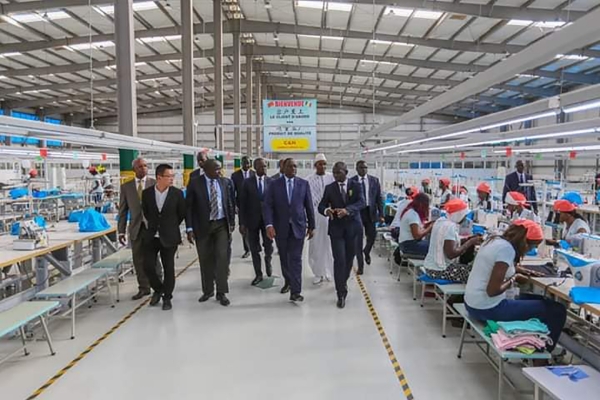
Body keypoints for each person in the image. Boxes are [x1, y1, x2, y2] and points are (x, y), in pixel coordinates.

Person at [465, 220, 567, 357]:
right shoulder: (506, 250)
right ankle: (543, 353)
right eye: (531, 247)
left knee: (541, 300)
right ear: (524, 241)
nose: (531, 250)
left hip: (472, 303)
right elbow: (493, 291)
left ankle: (533, 343)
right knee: (556, 310)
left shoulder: (494, 240)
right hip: (488, 308)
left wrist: (521, 270)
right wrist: (514, 278)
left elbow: (498, 266)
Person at [263, 158, 315, 302]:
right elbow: (268, 206)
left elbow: (308, 206)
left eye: (295, 166)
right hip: (281, 228)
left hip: (298, 227)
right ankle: (288, 281)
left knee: (296, 259)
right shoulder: (274, 185)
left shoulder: (303, 184)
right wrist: (269, 225)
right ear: (283, 168)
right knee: (285, 258)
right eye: (290, 166)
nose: (293, 168)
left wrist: (312, 225)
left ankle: (296, 291)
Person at [186, 159, 236, 307]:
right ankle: (208, 290)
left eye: (220, 169)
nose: (219, 172)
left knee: (222, 257)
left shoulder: (225, 182)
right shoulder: (195, 183)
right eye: (216, 169)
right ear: (206, 170)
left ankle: (222, 292)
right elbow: (189, 207)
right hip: (203, 226)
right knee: (205, 259)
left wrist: (231, 222)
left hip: (221, 224)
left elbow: (230, 203)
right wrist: (189, 228)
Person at [318, 162, 365, 309]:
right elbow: (321, 205)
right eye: (334, 172)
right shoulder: (330, 188)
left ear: (346, 172)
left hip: (353, 229)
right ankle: (341, 294)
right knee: (339, 260)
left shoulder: (356, 185)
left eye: (338, 172)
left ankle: (342, 281)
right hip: (336, 230)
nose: (335, 175)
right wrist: (327, 211)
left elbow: (362, 202)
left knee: (349, 259)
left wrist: (347, 210)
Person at [141, 164, 186, 311]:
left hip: (170, 235)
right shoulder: (147, 193)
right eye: (169, 176)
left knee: (169, 268)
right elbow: (146, 212)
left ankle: (167, 297)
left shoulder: (177, 194)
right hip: (152, 235)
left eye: (173, 176)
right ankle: (158, 289)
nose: (172, 179)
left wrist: (169, 226)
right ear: (159, 177)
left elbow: (181, 214)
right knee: (147, 266)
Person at [118, 157, 160, 300]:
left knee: (154, 259)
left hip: (152, 228)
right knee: (138, 259)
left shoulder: (155, 184)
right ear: (134, 170)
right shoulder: (126, 187)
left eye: (145, 166)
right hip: (136, 228)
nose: (143, 168)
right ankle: (143, 287)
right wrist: (121, 230)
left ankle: (158, 287)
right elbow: (122, 211)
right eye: (140, 166)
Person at [424, 199, 483, 282]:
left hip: (430, 266)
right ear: (458, 215)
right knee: (475, 274)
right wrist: (470, 242)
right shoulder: (450, 226)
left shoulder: (440, 221)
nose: (465, 218)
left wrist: (468, 239)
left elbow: (447, 242)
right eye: (464, 215)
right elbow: (451, 254)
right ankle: (460, 295)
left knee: (467, 268)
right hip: (438, 270)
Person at [239, 158, 273, 285]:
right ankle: (258, 273)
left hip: (267, 221)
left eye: (265, 166)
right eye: (260, 167)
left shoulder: (271, 182)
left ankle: (268, 260)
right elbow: (243, 203)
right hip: (252, 220)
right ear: (255, 168)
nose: (263, 169)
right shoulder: (247, 183)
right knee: (254, 248)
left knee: (268, 245)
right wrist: (242, 223)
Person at [350, 160, 383, 274]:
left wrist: (381, 214)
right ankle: (361, 266)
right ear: (356, 168)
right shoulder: (351, 181)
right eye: (361, 168)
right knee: (358, 240)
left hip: (371, 212)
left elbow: (379, 198)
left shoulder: (374, 180)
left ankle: (367, 251)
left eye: (365, 167)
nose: (363, 170)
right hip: (358, 213)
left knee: (372, 236)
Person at [306, 153, 335, 284]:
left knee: (328, 245)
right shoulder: (308, 180)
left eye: (324, 164)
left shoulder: (332, 178)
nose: (322, 166)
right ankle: (318, 273)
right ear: (315, 165)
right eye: (320, 164)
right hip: (315, 216)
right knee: (316, 245)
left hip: (330, 216)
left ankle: (328, 271)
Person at [231, 156, 255, 259]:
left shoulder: (254, 174)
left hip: (254, 206)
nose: (247, 165)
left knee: (254, 228)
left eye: (248, 163)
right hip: (241, 206)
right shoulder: (235, 176)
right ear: (241, 163)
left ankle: (254, 248)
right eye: (245, 163)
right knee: (244, 228)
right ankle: (247, 249)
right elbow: (232, 192)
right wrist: (235, 205)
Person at [398, 193, 433, 258]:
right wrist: (429, 228)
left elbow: (416, 228)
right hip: (408, 246)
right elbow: (417, 236)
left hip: (406, 244)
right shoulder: (413, 215)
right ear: (421, 204)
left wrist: (426, 226)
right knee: (436, 248)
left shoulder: (411, 212)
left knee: (433, 245)